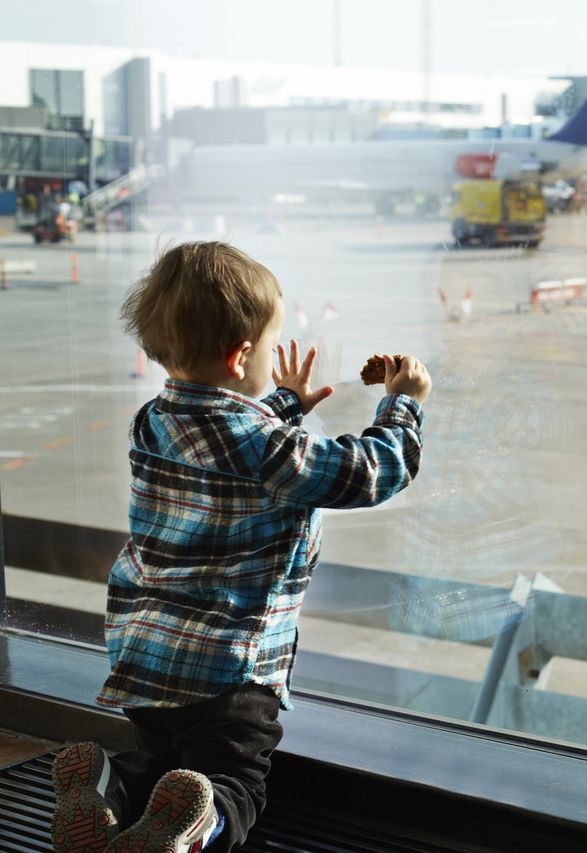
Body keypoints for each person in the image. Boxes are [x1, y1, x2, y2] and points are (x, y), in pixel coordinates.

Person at [48, 241, 432, 853]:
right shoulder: (268, 450)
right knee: (234, 783)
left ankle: (110, 785)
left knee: (164, 762)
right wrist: (403, 404)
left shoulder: (151, 420)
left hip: (145, 650)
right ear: (241, 355)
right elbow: (369, 472)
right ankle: (202, 826)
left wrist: (283, 405)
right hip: (231, 668)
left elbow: (223, 439)